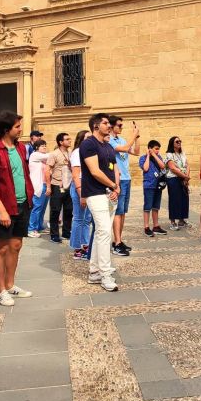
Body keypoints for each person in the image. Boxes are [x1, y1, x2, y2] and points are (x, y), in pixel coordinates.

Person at [0, 111, 35, 307]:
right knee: (2, 248)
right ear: (6, 130)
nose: (21, 129)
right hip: (4, 207)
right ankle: (1, 289)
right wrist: (1, 209)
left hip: (22, 204)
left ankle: (11, 284)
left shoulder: (20, 148)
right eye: (17, 126)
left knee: (16, 246)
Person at [80, 113, 119, 292]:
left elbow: (114, 167)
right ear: (96, 126)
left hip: (110, 193)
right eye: (105, 123)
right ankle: (105, 274)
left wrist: (116, 187)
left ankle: (94, 271)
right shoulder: (88, 144)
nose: (109, 126)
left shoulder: (108, 145)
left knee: (101, 233)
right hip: (95, 193)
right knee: (104, 232)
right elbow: (94, 171)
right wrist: (112, 185)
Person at [109, 116, 140, 256]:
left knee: (123, 212)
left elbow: (136, 151)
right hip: (118, 179)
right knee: (118, 211)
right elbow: (125, 148)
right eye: (119, 125)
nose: (121, 127)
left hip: (127, 178)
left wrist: (137, 137)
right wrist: (133, 135)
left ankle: (118, 241)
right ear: (112, 126)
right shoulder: (109, 140)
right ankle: (116, 242)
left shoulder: (121, 140)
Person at [45, 133, 73, 244]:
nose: (70, 140)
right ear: (61, 142)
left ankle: (66, 232)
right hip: (57, 185)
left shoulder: (71, 153)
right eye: (67, 139)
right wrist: (48, 186)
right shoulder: (54, 154)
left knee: (69, 210)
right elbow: (47, 170)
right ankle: (54, 234)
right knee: (55, 211)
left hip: (69, 185)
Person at [69, 130, 93, 259]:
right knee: (78, 218)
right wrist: (81, 193)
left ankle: (85, 244)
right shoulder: (77, 153)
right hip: (80, 187)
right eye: (87, 137)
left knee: (86, 219)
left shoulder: (89, 152)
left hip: (89, 187)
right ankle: (77, 247)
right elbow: (75, 175)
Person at [139, 140, 168, 238]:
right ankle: (146, 227)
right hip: (148, 185)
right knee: (147, 207)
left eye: (158, 149)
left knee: (156, 207)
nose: (158, 151)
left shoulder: (158, 157)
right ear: (150, 148)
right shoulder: (142, 158)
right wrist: (148, 155)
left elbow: (163, 166)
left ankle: (156, 226)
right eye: (156, 149)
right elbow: (145, 168)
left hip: (158, 185)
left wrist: (155, 155)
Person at [164, 136, 190, 230]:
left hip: (183, 178)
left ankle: (182, 220)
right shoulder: (169, 155)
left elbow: (187, 165)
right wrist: (185, 176)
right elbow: (172, 168)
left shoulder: (182, 153)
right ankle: (172, 222)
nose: (179, 143)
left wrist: (186, 177)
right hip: (173, 179)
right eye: (177, 141)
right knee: (175, 199)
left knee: (184, 198)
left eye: (180, 141)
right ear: (172, 143)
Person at [27, 139, 49, 238]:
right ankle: (31, 229)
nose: (44, 147)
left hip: (45, 185)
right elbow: (50, 156)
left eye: (45, 145)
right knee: (36, 208)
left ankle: (39, 226)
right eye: (42, 146)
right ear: (36, 148)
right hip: (38, 185)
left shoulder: (43, 157)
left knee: (43, 208)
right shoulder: (35, 155)